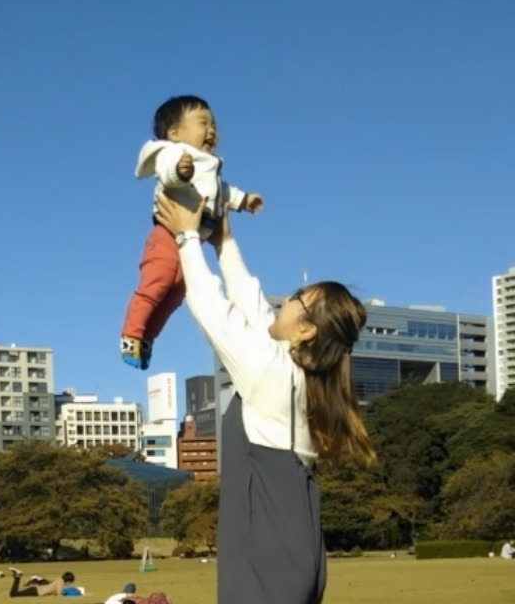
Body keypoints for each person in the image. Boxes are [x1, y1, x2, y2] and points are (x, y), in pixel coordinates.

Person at [154, 193, 376, 604]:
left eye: (297, 297)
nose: (285, 300)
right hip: (296, 552)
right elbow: (252, 307)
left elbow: (211, 308)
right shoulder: (298, 376)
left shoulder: (273, 374)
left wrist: (187, 237)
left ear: (306, 330)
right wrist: (224, 241)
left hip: (269, 556)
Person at [121, 94, 263, 369]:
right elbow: (166, 172)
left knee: (175, 295)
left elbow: (224, 191)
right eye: (203, 123)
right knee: (156, 284)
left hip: (190, 242)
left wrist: (244, 201)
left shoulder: (210, 167)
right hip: (166, 235)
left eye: (214, 126)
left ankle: (148, 338)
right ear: (175, 133)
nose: (211, 131)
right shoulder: (172, 153)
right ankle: (132, 333)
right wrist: (180, 171)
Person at [8, 568, 75, 597]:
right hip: (35, 591)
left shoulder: (59, 580)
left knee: (14, 594)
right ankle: (18, 576)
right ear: (68, 581)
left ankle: (17, 576)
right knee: (13, 594)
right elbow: (60, 594)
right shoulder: (61, 582)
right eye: (70, 582)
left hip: (35, 590)